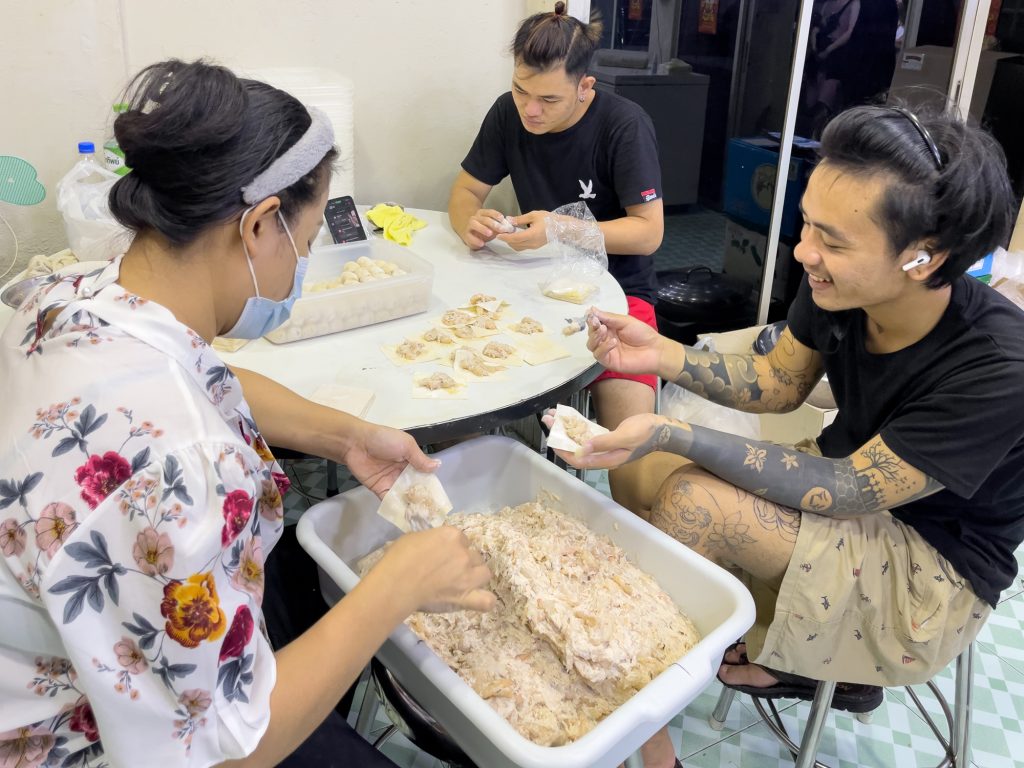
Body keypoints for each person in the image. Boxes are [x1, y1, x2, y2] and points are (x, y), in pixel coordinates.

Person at [0, 60, 495, 768]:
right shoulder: (178, 472)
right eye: (311, 237)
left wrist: (342, 434)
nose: (305, 264)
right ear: (262, 223)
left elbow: (203, 372)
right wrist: (397, 586)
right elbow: (230, 751)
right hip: (69, 738)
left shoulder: (72, 293)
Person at [550, 104, 1023, 765]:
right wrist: (658, 354)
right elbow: (778, 380)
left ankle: (646, 742)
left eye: (832, 242)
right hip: (845, 490)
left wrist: (675, 433)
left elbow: (850, 487)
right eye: (806, 225)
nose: (805, 253)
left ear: (924, 257)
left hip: (928, 571)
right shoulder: (840, 286)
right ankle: (754, 639)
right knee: (636, 471)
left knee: (689, 497)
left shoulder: (1000, 365)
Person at [448, 2, 665, 517]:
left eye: (549, 98)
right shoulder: (508, 111)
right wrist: (469, 223)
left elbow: (649, 233)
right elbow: (464, 191)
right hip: (535, 287)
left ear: (585, 87)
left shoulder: (624, 125)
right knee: (468, 411)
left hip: (621, 296)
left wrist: (560, 229)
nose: (531, 110)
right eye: (522, 90)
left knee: (630, 465)